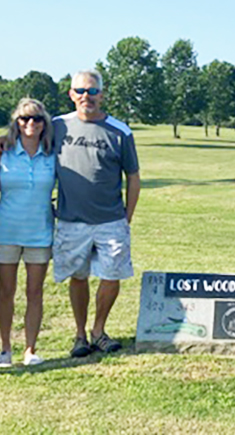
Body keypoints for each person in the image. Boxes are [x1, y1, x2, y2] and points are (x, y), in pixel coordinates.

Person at [53, 70, 140, 357]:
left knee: (111, 276)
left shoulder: (120, 131)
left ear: (102, 95)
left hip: (111, 220)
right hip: (71, 219)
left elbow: (133, 176)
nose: (85, 96)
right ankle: (79, 335)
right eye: (80, 91)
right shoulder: (57, 127)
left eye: (92, 91)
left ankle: (99, 330)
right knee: (78, 277)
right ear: (71, 94)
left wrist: (126, 216)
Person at [0, 98, 56, 367]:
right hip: (6, 229)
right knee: (6, 291)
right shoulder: (3, 150)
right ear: (16, 122)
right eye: (24, 119)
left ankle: (30, 349)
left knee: (35, 292)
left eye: (37, 119)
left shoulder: (53, 153)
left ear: (45, 123)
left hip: (40, 231)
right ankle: (5, 349)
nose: (31, 124)